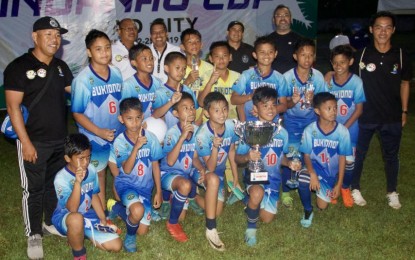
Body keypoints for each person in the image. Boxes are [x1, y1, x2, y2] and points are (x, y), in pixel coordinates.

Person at [4, 16, 72, 259]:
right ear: (35, 37)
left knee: (53, 185)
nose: (55, 40)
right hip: (34, 142)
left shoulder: (61, 68)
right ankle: (33, 234)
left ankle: (51, 223)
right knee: (33, 190)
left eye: (58, 35)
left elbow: (76, 92)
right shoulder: (18, 67)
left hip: (59, 141)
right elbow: (13, 109)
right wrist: (26, 143)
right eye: (49, 35)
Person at [350, 11, 412, 209]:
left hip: (392, 116)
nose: (382, 31)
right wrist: (330, 74)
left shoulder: (401, 55)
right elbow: (346, 76)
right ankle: (355, 188)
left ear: (393, 30)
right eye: (378, 27)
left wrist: (404, 111)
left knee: (392, 155)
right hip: (366, 115)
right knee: (359, 154)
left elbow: (404, 84)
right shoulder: (361, 55)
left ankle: (392, 191)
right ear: (371, 30)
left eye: (387, 27)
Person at [235, 87, 299, 246]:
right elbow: (237, 159)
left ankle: (246, 199)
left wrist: (289, 163)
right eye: (265, 105)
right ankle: (251, 229)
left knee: (267, 218)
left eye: (273, 105)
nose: (271, 109)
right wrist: (247, 156)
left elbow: (281, 157)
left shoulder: (282, 132)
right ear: (255, 109)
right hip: (254, 176)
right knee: (257, 193)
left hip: (273, 180)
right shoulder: (249, 130)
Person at [71, 29, 123, 210]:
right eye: (98, 49)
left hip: (117, 134)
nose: (105, 53)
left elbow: (119, 102)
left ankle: (121, 205)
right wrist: (99, 132)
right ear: (89, 52)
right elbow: (77, 113)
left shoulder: (116, 73)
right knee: (99, 174)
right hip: (94, 137)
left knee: (120, 172)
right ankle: (102, 214)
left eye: (107, 48)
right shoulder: (83, 80)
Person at [52, 134, 122, 259]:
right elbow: (72, 209)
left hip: (87, 215)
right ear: (67, 158)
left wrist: (103, 218)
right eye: (81, 158)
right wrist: (78, 183)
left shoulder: (91, 169)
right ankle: (79, 253)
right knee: (76, 219)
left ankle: (80, 234)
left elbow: (93, 194)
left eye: (88, 157)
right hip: (66, 217)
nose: (85, 162)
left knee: (116, 246)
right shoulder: (61, 178)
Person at [108, 97, 163, 252]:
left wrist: (158, 191)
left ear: (142, 116)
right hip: (126, 185)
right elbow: (126, 169)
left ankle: (117, 209)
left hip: (145, 188)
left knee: (142, 230)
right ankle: (129, 238)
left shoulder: (151, 138)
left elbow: (155, 165)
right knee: (137, 212)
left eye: (138, 118)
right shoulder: (120, 141)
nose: (135, 123)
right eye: (129, 119)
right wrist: (136, 147)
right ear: (121, 119)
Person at [160, 92, 213, 242]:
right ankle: (172, 222)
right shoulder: (171, 133)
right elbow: (170, 162)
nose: (191, 111)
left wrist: (202, 169)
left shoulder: (197, 131)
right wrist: (182, 136)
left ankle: (190, 197)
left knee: (209, 177)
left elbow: (194, 157)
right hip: (168, 173)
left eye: (192, 107)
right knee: (184, 185)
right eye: (185, 108)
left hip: (188, 170)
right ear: (176, 113)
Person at [282, 38, 328, 209]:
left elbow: (324, 102)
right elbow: (281, 104)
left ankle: (309, 183)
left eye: (310, 55)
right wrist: (292, 101)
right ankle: (286, 190)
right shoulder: (286, 77)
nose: (307, 58)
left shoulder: (318, 76)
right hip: (292, 122)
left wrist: (314, 100)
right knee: (291, 155)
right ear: (295, 56)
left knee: (309, 154)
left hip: (312, 122)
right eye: (303, 55)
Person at [297, 92, 352, 228]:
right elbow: (307, 155)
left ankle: (322, 189)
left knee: (322, 206)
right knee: (303, 179)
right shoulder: (310, 130)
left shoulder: (343, 131)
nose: (333, 112)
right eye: (328, 108)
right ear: (317, 111)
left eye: (335, 108)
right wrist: (312, 173)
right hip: (314, 167)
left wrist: (339, 184)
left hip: (329, 173)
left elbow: (342, 158)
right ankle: (307, 210)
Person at [195, 92, 240, 251]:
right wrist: (215, 146)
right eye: (216, 110)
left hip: (218, 173)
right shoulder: (203, 135)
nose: (222, 113)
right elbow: (210, 168)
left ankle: (191, 197)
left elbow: (232, 152)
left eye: (224, 109)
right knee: (213, 179)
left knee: (217, 210)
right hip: (199, 171)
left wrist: (235, 177)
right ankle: (211, 229)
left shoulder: (231, 126)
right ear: (207, 113)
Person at [328, 45, 366, 207]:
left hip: (350, 130)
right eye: (335, 63)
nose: (338, 66)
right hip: (331, 129)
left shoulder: (356, 82)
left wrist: (345, 127)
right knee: (332, 161)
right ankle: (332, 188)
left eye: (342, 62)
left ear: (350, 62)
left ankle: (345, 187)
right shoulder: (328, 82)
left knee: (349, 162)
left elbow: (359, 109)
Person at [231, 35, 288, 122]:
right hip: (250, 123)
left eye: (270, 52)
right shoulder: (246, 75)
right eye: (262, 52)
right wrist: (250, 96)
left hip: (272, 123)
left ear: (275, 54)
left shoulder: (280, 78)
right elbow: (233, 99)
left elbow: (284, 105)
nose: (266, 55)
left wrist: (269, 110)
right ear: (255, 55)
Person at [152, 51, 198, 129]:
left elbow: (194, 112)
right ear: (166, 68)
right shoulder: (160, 92)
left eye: (184, 68)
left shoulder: (188, 90)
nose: (181, 71)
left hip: (188, 135)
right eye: (177, 68)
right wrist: (171, 102)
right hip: (170, 136)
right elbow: (155, 115)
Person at [180, 28, 213, 125]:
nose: (194, 45)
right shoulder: (178, 68)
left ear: (201, 45)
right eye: (190, 42)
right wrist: (187, 81)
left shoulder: (210, 69)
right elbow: (173, 95)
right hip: (184, 121)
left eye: (197, 41)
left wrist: (201, 116)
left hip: (206, 119)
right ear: (182, 47)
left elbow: (211, 97)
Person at [122, 43, 163, 118]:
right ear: (134, 63)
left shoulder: (158, 83)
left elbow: (162, 109)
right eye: (144, 59)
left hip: (157, 126)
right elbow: (125, 113)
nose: (149, 62)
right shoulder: (128, 85)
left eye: (151, 58)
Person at [269, 4, 301, 74]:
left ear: (291, 19)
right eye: (279, 16)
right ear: (273, 20)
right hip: (273, 81)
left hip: (294, 82)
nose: (282, 18)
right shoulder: (267, 41)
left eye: (286, 15)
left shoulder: (300, 40)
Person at [148, 18, 181, 83]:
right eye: (154, 32)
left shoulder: (177, 51)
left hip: (171, 90)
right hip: (150, 91)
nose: (158, 35)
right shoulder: (144, 52)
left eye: (161, 32)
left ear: (166, 34)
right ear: (150, 36)